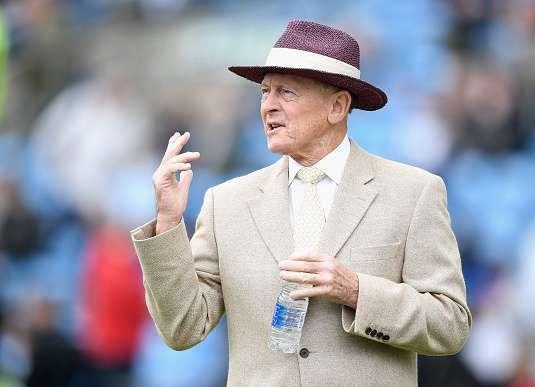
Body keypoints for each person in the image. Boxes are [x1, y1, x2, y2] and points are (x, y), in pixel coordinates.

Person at [130, 20, 471, 386]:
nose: (267, 107)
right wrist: (167, 222)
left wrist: (357, 291)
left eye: (286, 93)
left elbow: (449, 325)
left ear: (338, 107)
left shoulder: (414, 192)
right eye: (264, 92)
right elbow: (182, 328)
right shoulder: (225, 203)